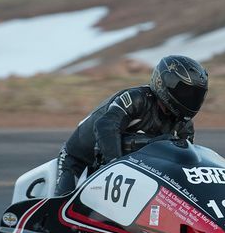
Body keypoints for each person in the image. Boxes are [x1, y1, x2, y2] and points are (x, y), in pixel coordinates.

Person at [54, 55, 209, 196]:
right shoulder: (136, 98)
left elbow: (183, 164)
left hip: (130, 170)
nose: (191, 99)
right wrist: (116, 167)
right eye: (185, 92)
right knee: (61, 207)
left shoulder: (184, 125)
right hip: (78, 159)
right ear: (163, 83)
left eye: (196, 95)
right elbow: (106, 125)